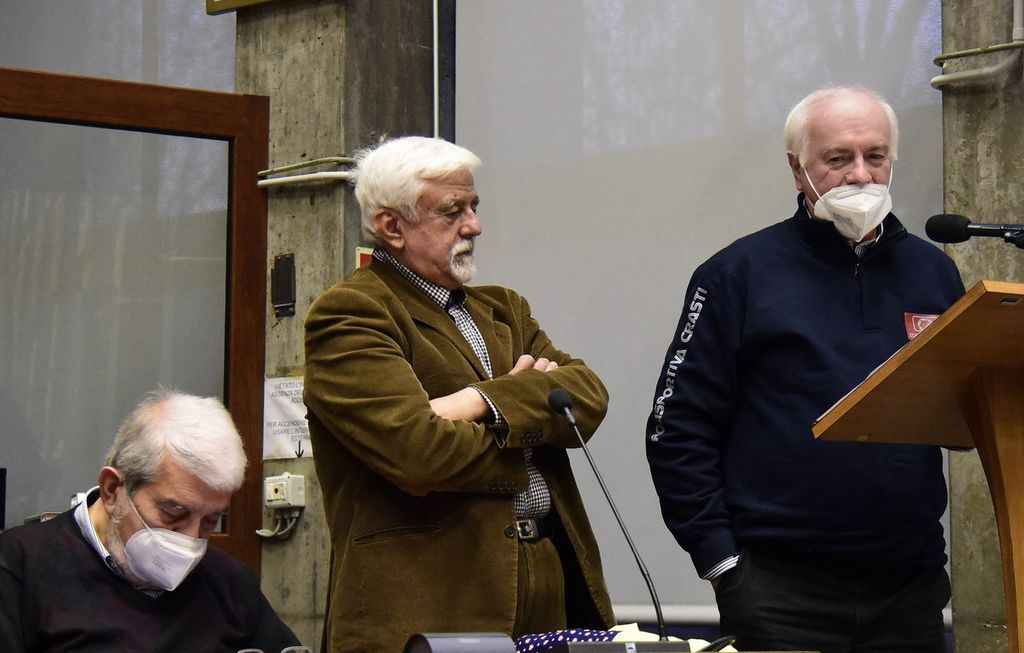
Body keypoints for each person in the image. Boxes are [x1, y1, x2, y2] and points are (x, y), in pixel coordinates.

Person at [646, 85, 964, 653]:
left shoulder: (933, 273)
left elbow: (962, 412)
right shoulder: (737, 274)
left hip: (908, 587)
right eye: (838, 158)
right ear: (798, 169)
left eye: (875, 155)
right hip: (779, 591)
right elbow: (677, 430)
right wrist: (720, 561)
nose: (860, 174)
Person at [304, 136, 614, 652]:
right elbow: (418, 452)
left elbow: (586, 396)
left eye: (474, 206)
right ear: (392, 227)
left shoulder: (505, 309)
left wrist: (477, 402)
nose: (474, 226)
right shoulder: (352, 313)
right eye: (453, 212)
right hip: (429, 601)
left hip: (545, 580)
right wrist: (528, 413)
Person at [0, 390, 301, 653]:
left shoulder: (230, 584)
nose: (190, 539)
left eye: (211, 520)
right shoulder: (19, 566)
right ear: (112, 490)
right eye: (174, 513)